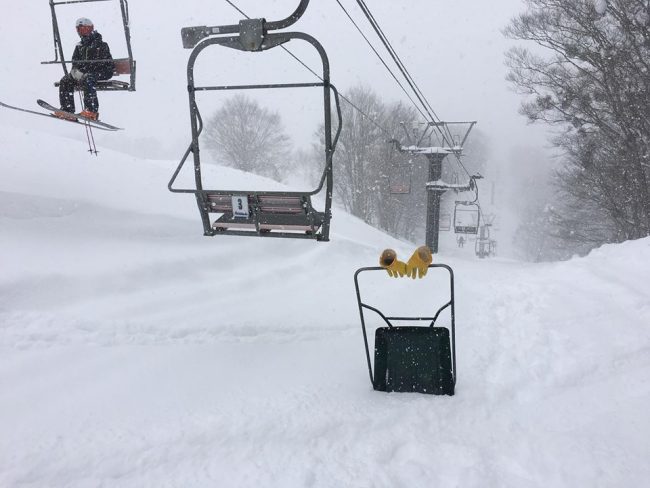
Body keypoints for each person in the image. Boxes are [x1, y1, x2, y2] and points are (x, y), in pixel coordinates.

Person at [55, 18, 114, 121]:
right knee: (66, 80)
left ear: (91, 29)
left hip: (103, 71)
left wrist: (85, 70)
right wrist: (76, 72)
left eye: (84, 29)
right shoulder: (79, 46)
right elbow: (75, 61)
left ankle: (91, 111)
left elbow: (101, 62)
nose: (82, 32)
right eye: (79, 30)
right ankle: (67, 110)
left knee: (88, 78)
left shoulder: (101, 45)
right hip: (86, 73)